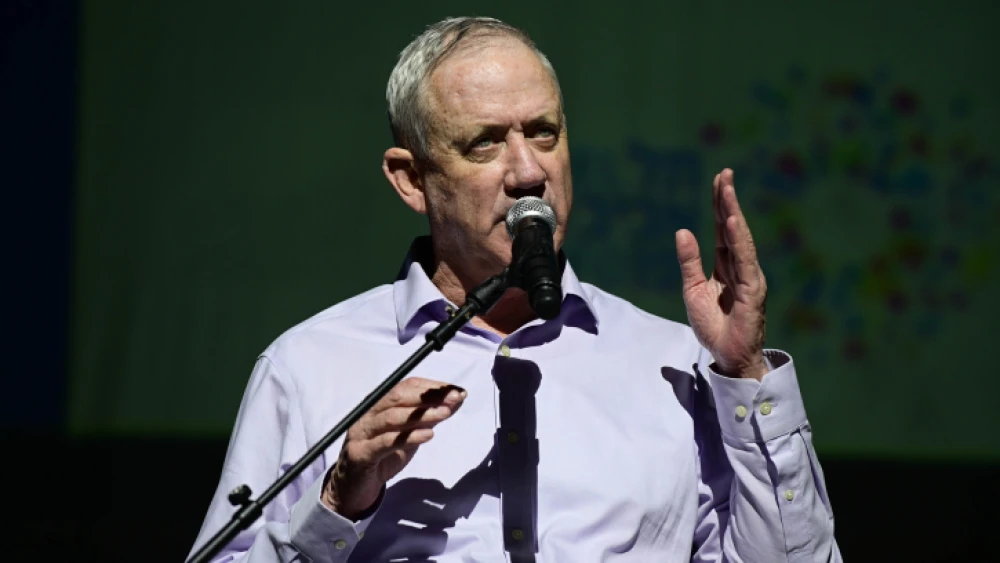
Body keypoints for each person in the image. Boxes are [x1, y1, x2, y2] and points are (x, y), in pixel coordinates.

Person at [190, 16, 842, 563]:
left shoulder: (674, 363)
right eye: (484, 145)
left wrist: (746, 372)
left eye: (543, 133)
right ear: (411, 179)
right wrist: (338, 499)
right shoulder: (309, 367)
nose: (528, 171)